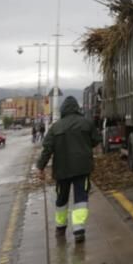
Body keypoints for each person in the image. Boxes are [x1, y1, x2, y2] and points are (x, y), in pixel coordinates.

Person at [36, 97, 101, 244]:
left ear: (63, 110)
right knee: (81, 199)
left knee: (61, 199)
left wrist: (40, 167)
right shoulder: (86, 123)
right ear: (77, 108)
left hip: (62, 170)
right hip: (82, 168)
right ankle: (79, 230)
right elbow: (96, 140)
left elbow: (47, 149)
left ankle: (60, 228)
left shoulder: (55, 127)